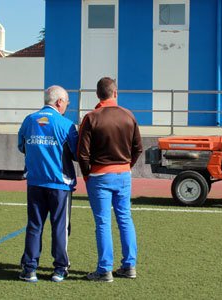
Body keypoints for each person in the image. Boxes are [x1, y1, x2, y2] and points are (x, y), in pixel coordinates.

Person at [78, 77, 143, 282]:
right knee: (125, 219)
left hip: (99, 175)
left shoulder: (91, 117)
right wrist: (126, 166)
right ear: (116, 93)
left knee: (103, 222)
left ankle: (104, 269)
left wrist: (87, 174)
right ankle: (129, 265)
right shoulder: (128, 115)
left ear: (98, 94)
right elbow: (138, 148)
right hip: (123, 174)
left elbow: (82, 153)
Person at [17, 85, 78, 283]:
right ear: (59, 102)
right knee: (60, 226)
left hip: (35, 182)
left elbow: (22, 146)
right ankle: (60, 269)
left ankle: (29, 268)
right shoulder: (66, 124)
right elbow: (77, 154)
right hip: (60, 184)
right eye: (67, 102)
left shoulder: (29, 120)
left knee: (34, 225)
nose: (67, 106)